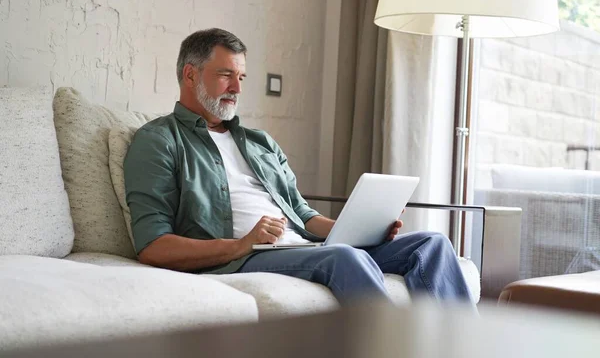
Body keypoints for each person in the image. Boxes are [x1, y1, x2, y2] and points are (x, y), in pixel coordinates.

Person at [124, 28, 472, 305]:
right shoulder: (159, 140)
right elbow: (153, 246)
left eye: (241, 77)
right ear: (189, 75)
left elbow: (303, 215)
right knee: (343, 258)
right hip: (240, 258)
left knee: (432, 243)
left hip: (303, 247)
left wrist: (358, 228)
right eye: (226, 75)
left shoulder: (258, 142)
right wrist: (241, 245)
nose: (236, 88)